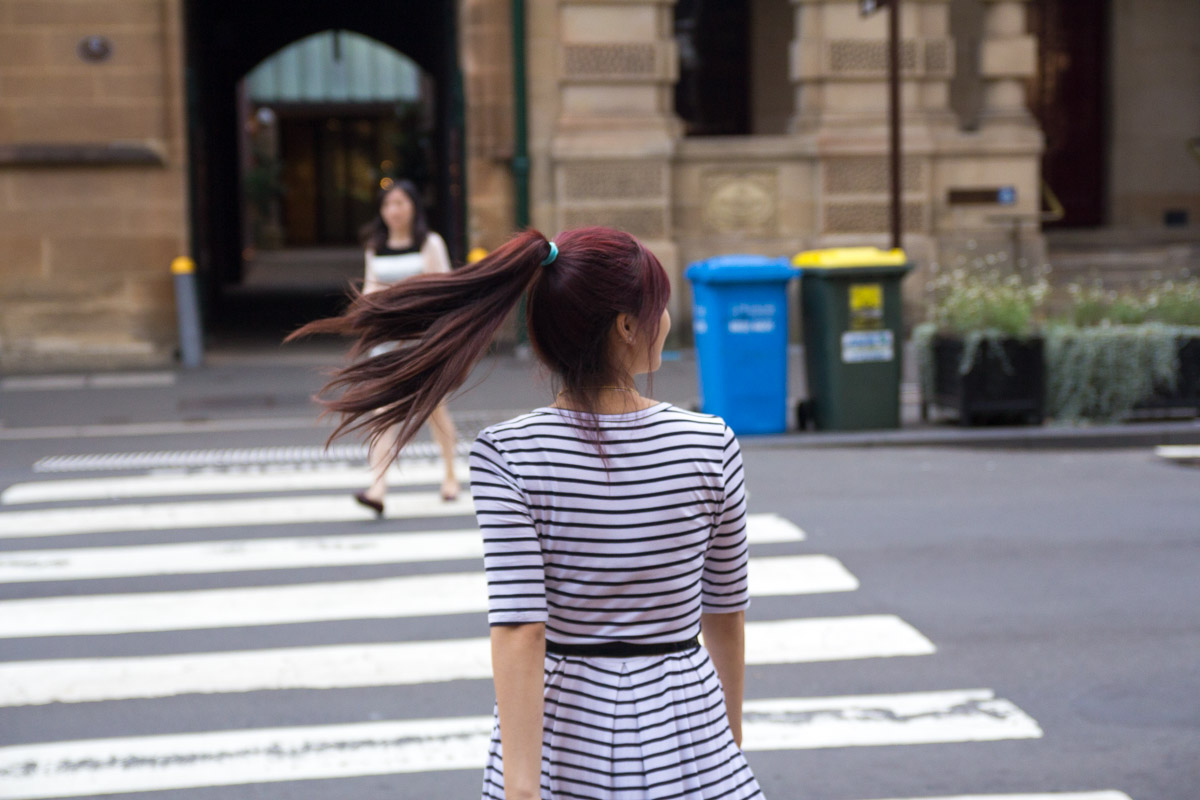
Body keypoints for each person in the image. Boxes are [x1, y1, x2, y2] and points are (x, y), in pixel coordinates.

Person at [290, 227, 762, 800]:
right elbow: (725, 612)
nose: (664, 319)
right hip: (689, 732)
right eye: (656, 307)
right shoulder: (709, 442)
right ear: (627, 327)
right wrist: (726, 743)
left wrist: (521, 790)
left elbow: (521, 628)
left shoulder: (509, 453)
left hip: (567, 737)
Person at [352, 179, 460, 515]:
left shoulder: (429, 243)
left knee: (433, 408)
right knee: (383, 412)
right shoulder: (376, 245)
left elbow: (442, 289)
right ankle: (378, 487)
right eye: (387, 205)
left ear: (413, 206)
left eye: (400, 203)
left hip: (422, 339)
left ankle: (451, 473)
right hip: (386, 340)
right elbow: (371, 288)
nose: (393, 211)